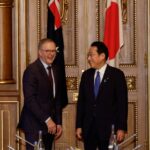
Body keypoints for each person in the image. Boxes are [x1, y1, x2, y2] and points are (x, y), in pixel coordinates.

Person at [76, 41, 128, 150]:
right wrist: (79, 125)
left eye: (91, 55)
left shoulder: (116, 75)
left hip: (109, 129)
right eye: (88, 56)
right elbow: (81, 102)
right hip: (89, 128)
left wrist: (121, 128)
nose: (89, 58)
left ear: (102, 56)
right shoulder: (86, 75)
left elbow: (122, 104)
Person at [18, 38, 63, 150]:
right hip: (34, 125)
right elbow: (30, 100)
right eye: (47, 51)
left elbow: (57, 99)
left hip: (50, 127)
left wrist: (58, 122)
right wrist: (48, 120)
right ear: (40, 52)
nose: (51, 54)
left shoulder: (56, 70)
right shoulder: (31, 71)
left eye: (53, 51)